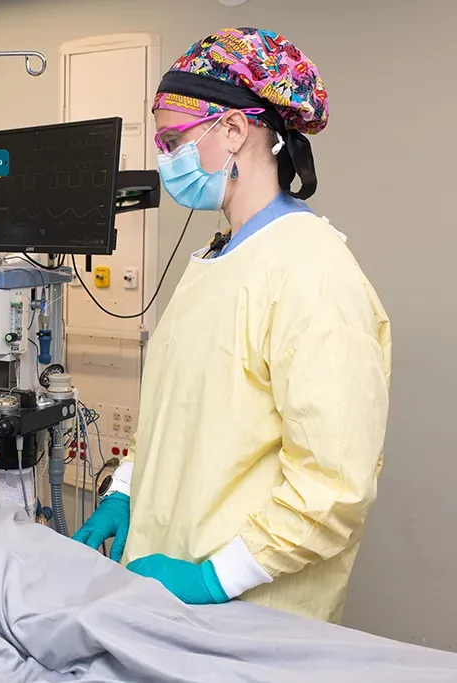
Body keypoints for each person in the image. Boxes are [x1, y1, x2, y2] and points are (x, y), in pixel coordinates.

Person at [73, 27, 391, 622]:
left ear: (235, 130)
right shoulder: (216, 260)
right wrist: (124, 493)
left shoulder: (313, 273)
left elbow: (333, 487)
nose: (164, 159)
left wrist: (215, 578)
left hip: (248, 610)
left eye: (172, 140)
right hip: (165, 586)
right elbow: (178, 414)